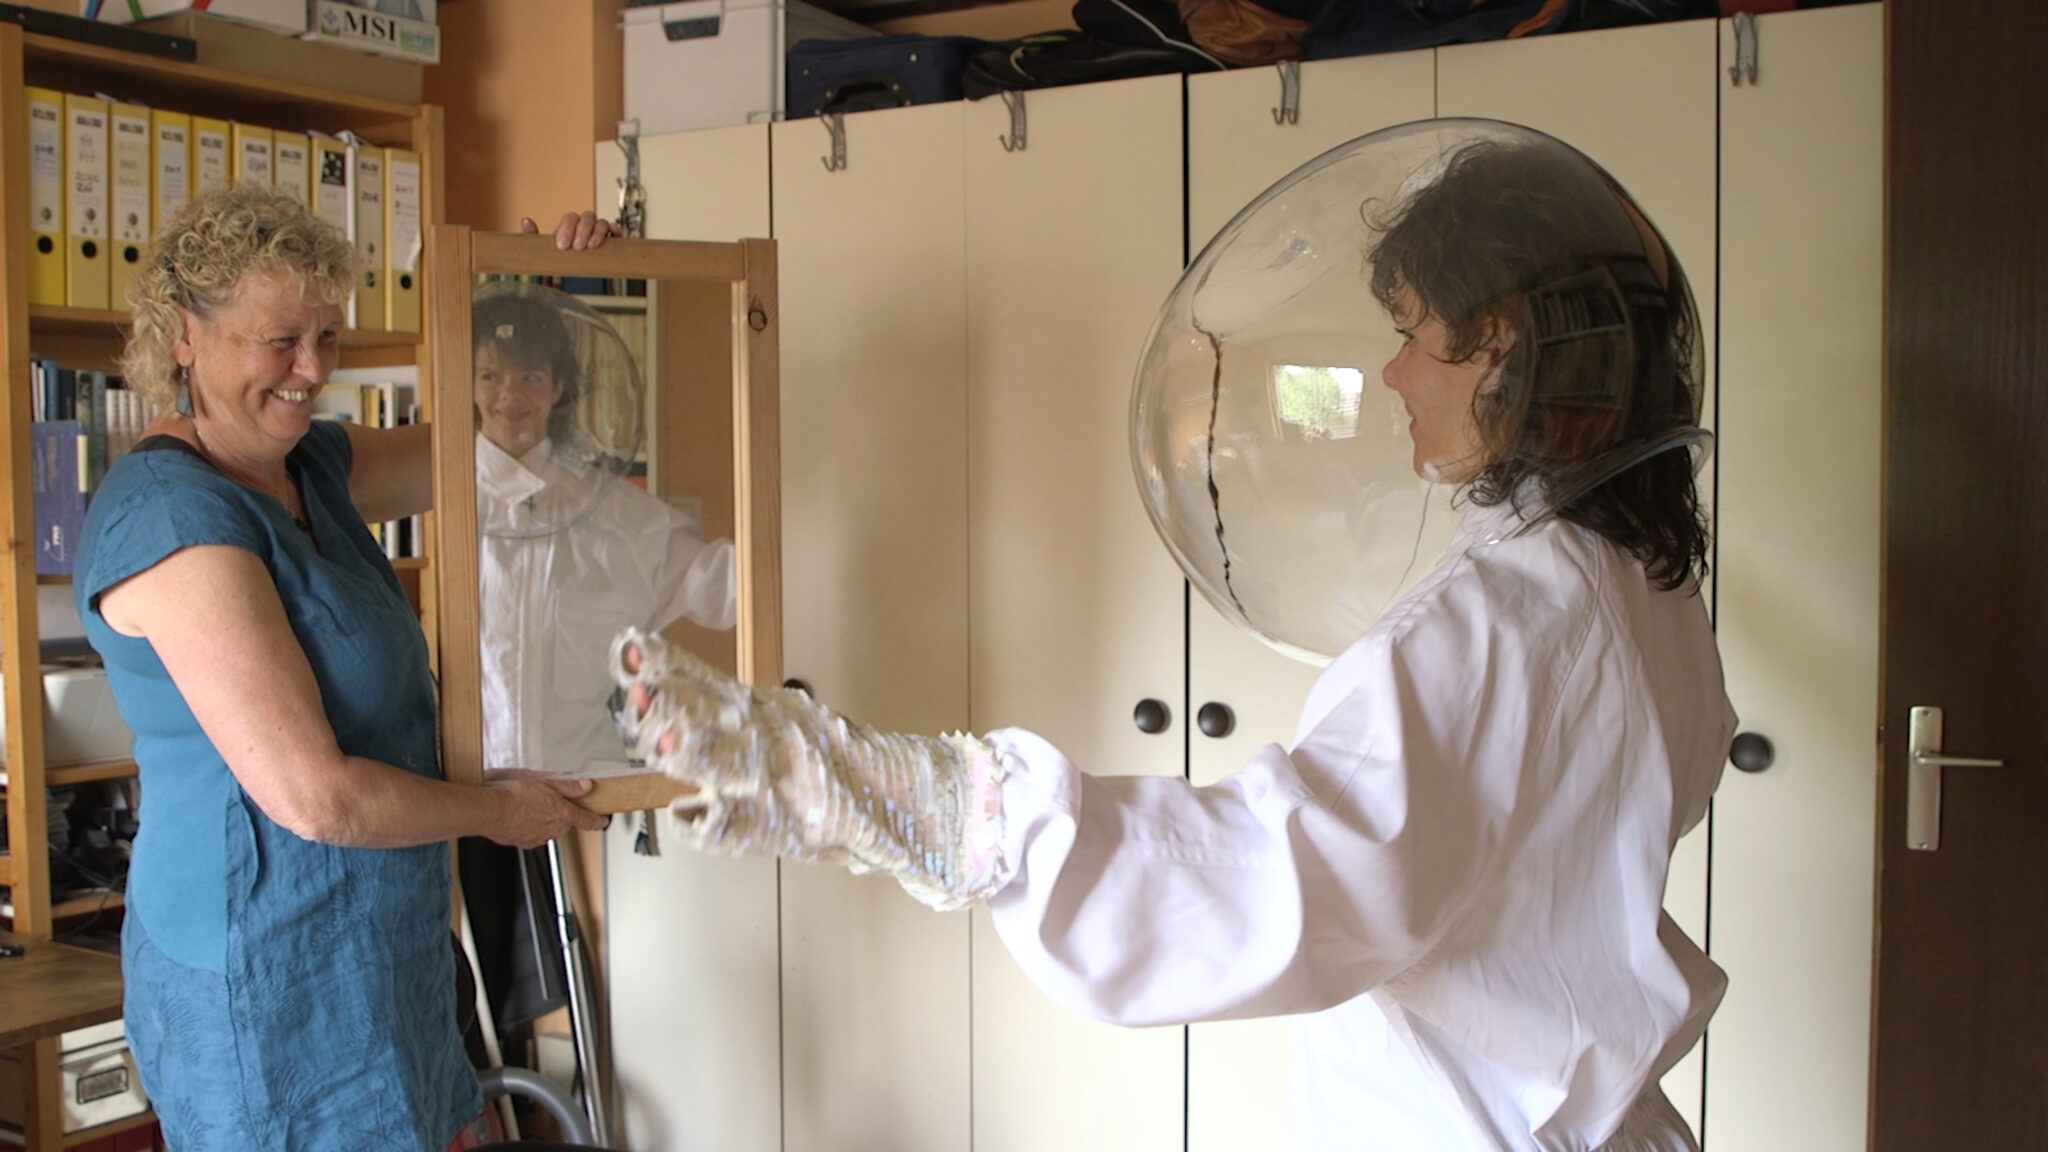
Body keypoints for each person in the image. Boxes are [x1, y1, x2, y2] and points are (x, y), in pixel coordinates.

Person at [609, 122, 1734, 1151]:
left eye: (1415, 336)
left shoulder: (1502, 616)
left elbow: (1288, 883)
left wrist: (927, 804)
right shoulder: (1635, 577)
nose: (1393, 374)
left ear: (1505, 350)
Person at [72, 185, 617, 1152]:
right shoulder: (170, 516)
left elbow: (500, 445)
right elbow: (316, 798)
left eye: (327, 336)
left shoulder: (307, 464)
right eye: (280, 340)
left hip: (379, 950)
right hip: (263, 982)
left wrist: (541, 297)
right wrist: (499, 813)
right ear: (184, 335)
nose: (313, 368)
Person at [471, 282, 736, 780]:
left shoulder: (611, 512)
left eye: (530, 377)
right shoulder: (433, 504)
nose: (509, 394)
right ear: (468, 383)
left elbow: (722, 587)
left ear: (557, 388)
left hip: (583, 792)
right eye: (490, 376)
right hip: (459, 795)